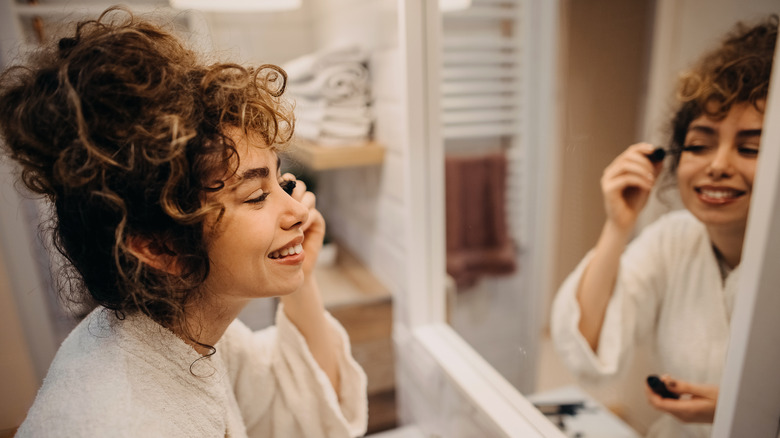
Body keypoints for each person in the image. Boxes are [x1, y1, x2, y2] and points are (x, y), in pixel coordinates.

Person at [0, 7, 367, 438]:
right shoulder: (119, 422)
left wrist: (301, 278)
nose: (299, 211)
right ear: (161, 247)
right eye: (255, 196)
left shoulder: (188, 334)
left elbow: (298, 412)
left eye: (279, 180)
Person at [551, 15, 777, 438]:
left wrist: (751, 410)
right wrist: (618, 226)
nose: (717, 166)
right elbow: (587, 347)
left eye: (750, 147)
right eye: (699, 144)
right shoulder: (674, 239)